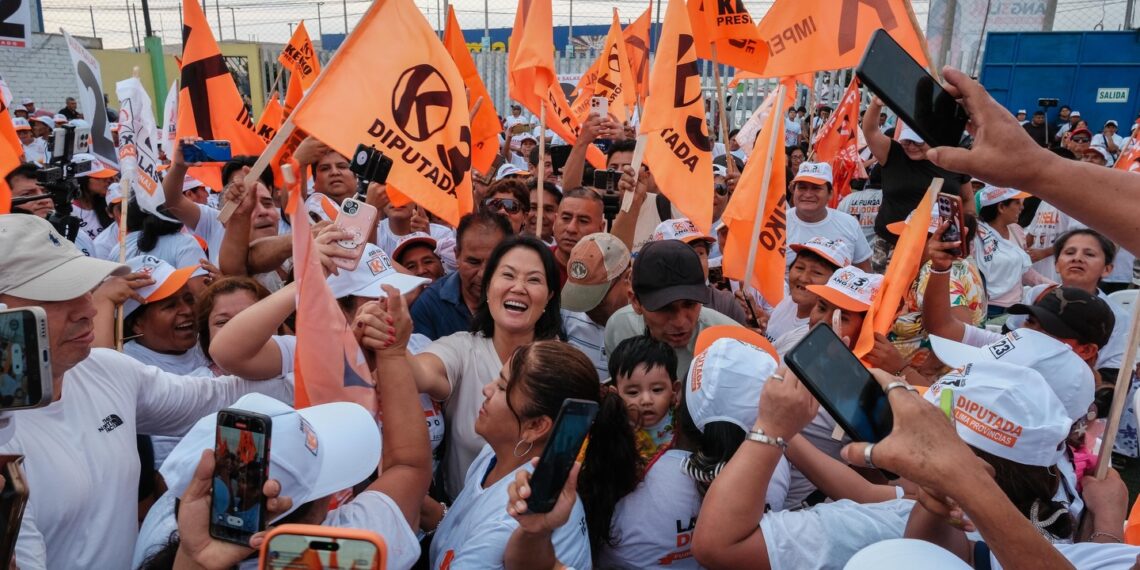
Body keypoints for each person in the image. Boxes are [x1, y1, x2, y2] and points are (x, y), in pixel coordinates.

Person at [0, 215, 292, 568]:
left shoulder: (106, 369)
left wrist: (318, 366)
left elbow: (217, 397)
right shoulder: (5, 438)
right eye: (58, 296)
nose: (89, 309)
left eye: (85, 290)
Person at [140, 286, 432, 569]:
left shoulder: (169, 528)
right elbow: (407, 465)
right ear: (308, 513)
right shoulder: (358, 547)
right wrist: (392, 352)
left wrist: (192, 558)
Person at [426, 340, 636, 568]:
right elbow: (459, 532)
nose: (487, 389)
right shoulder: (491, 455)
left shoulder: (516, 515)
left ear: (536, 426)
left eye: (502, 387)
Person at [408, 235, 563, 498]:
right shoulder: (461, 349)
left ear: (549, 296)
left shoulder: (563, 365)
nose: (519, 287)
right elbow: (419, 373)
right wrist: (390, 342)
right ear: (488, 288)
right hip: (458, 518)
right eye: (508, 275)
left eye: (534, 280)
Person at [862, 98, 973, 273]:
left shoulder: (953, 159)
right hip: (892, 243)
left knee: (929, 288)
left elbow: (966, 200)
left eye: (918, 142)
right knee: (887, 290)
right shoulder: (893, 153)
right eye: (907, 141)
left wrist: (965, 234)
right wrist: (876, 104)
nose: (911, 146)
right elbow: (870, 131)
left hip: (938, 247)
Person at [1008, 228, 1131, 383]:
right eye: (1069, 252)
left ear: (1107, 269)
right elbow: (1010, 333)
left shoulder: (1118, 316)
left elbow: (1113, 373)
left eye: (1089, 254)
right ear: (1057, 264)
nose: (1077, 258)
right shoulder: (1039, 294)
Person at [605, 239, 740, 380]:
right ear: (635, 302)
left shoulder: (733, 344)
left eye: (690, 304)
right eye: (665, 308)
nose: (680, 322)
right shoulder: (618, 329)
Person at [410, 211, 511, 341]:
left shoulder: (523, 303)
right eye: (473, 262)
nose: (482, 274)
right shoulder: (428, 306)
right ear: (456, 255)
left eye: (493, 263)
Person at [560, 232, 632, 381]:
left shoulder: (644, 322)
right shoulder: (567, 312)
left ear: (627, 278)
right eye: (578, 295)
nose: (586, 306)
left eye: (597, 297)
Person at [652, 218, 749, 325]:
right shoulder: (650, 308)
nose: (694, 261)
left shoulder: (726, 304)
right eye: (682, 255)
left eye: (699, 253)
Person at [972, 185, 1049, 318]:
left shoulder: (1016, 231)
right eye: (1017, 203)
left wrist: (1052, 286)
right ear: (1001, 207)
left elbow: (1023, 270)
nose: (1022, 207)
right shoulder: (975, 235)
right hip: (986, 310)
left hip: (1015, 309)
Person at [766, 237, 851, 350]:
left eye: (817, 273)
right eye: (800, 268)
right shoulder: (788, 302)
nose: (803, 278)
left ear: (836, 283)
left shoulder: (820, 331)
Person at [785, 162, 872, 271]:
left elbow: (865, 271)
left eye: (816, 188)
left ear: (830, 194)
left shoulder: (849, 223)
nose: (808, 194)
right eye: (802, 188)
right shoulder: (777, 223)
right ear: (793, 191)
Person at [608, 335, 679, 463]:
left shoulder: (684, 426)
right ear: (615, 395)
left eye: (657, 390)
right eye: (633, 392)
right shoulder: (610, 432)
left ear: (675, 390)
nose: (646, 400)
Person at [550, 187, 608, 288]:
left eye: (583, 221)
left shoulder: (608, 272)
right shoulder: (536, 261)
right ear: (555, 221)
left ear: (601, 228)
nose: (571, 229)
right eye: (566, 218)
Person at [70, 153, 118, 242]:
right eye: (99, 177)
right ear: (82, 181)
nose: (108, 180)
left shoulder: (108, 204)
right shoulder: (68, 210)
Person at [527, 179, 562, 244]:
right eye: (533, 208)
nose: (539, 216)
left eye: (548, 210)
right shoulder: (509, 247)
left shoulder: (565, 248)